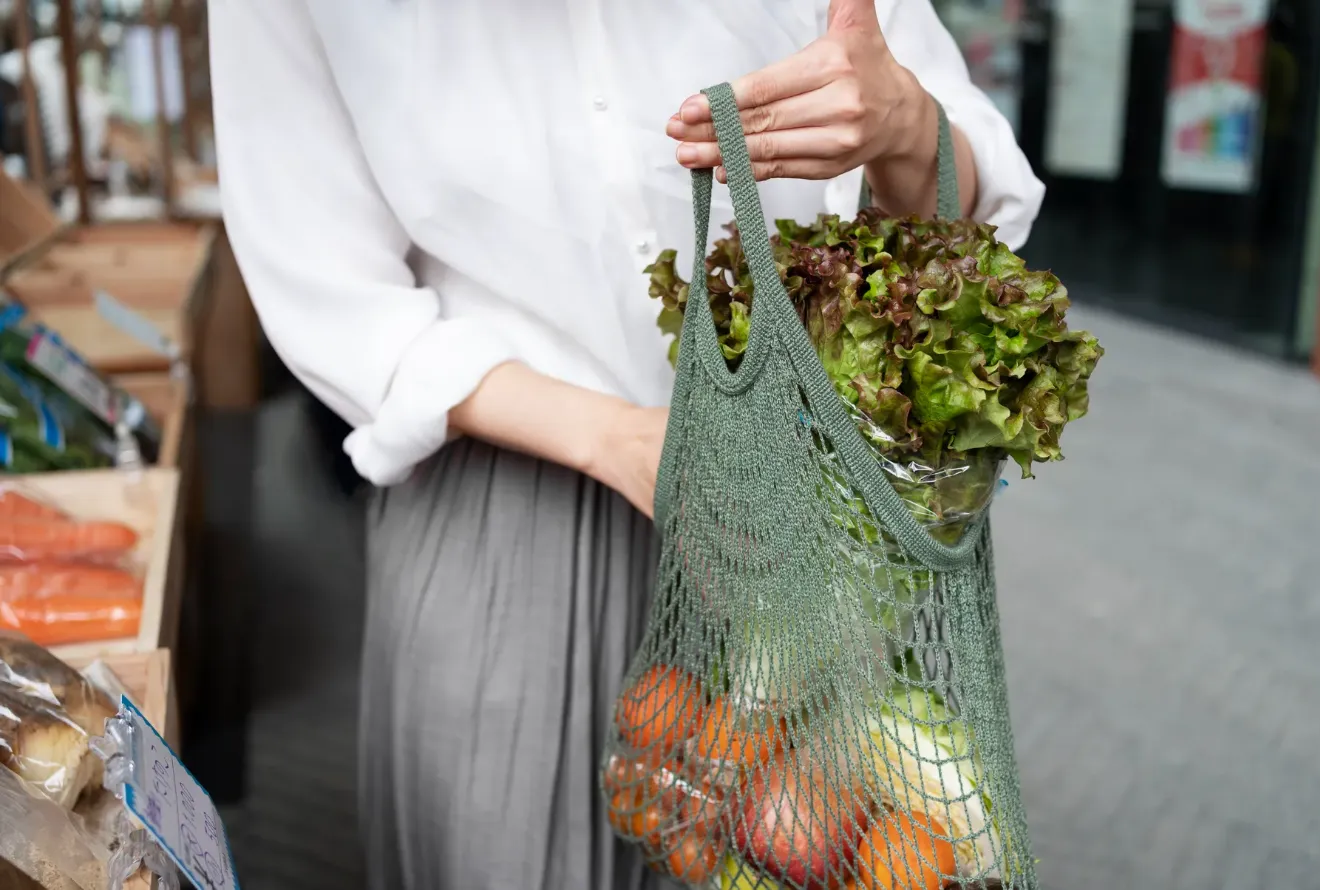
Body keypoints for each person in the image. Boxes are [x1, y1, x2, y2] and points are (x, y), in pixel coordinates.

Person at [208, 1, 1042, 887]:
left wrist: (905, 124)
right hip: (503, 505)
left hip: (803, 504)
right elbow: (329, 288)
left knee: (809, 843)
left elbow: (967, 207)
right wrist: (621, 438)